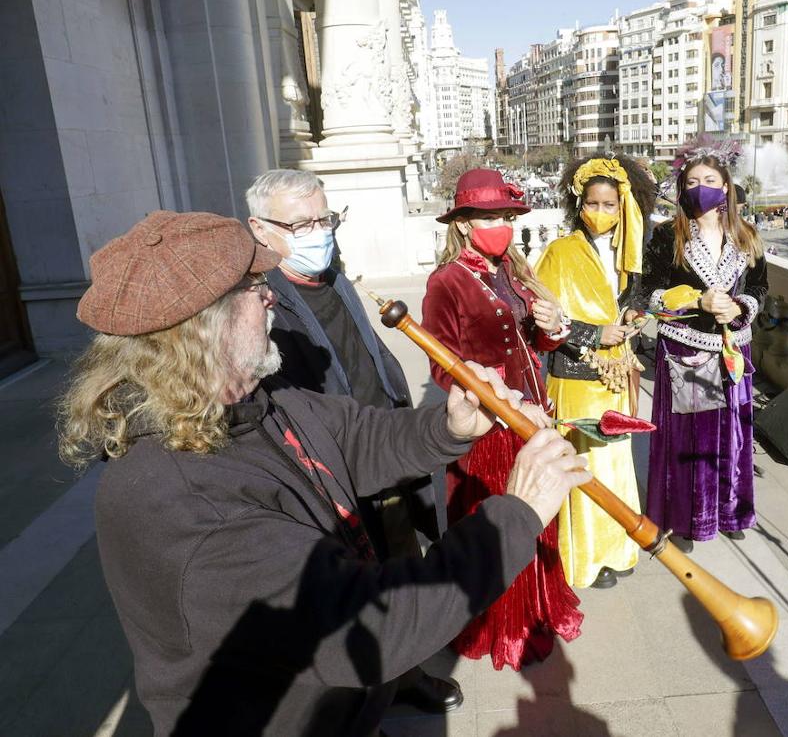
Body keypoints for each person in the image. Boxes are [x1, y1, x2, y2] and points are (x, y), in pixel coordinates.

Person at [60, 211, 590, 736]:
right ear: (204, 326)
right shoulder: (180, 501)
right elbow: (370, 625)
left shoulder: (258, 400)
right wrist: (515, 514)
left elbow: (357, 439)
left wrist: (450, 427)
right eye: (252, 286)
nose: (270, 295)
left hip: (340, 713)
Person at [244, 169, 461, 712]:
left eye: (325, 218)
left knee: (397, 560)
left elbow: (364, 349)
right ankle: (360, 701)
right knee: (348, 589)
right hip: (324, 461)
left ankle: (406, 671)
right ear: (259, 228)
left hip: (379, 441)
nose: (319, 232)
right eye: (302, 223)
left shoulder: (332, 273)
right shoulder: (258, 300)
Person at [422, 169, 584, 670]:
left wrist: (553, 329)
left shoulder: (515, 269)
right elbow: (442, 366)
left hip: (535, 420)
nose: (499, 225)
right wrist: (501, 397)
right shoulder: (445, 281)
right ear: (464, 223)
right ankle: (502, 625)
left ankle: (537, 610)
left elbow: (536, 345)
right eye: (488, 216)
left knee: (537, 518)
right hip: (490, 433)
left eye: (506, 216)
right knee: (500, 523)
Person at [625, 138, 768, 552]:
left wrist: (739, 307)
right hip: (685, 351)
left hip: (733, 351)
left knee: (733, 435)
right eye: (692, 181)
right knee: (689, 439)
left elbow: (760, 288)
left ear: (726, 186)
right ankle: (685, 518)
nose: (700, 187)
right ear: (683, 188)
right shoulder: (667, 237)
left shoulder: (747, 237)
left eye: (709, 179)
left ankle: (730, 509)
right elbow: (646, 295)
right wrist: (694, 300)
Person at [534, 156, 657, 589]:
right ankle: (584, 558)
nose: (601, 213)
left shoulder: (631, 253)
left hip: (619, 375)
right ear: (578, 203)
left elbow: (634, 300)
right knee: (583, 465)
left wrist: (633, 317)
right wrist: (594, 333)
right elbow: (544, 319)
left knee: (617, 464)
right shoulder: (559, 252)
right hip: (575, 375)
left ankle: (617, 549)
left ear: (625, 206)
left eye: (610, 206)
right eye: (593, 204)